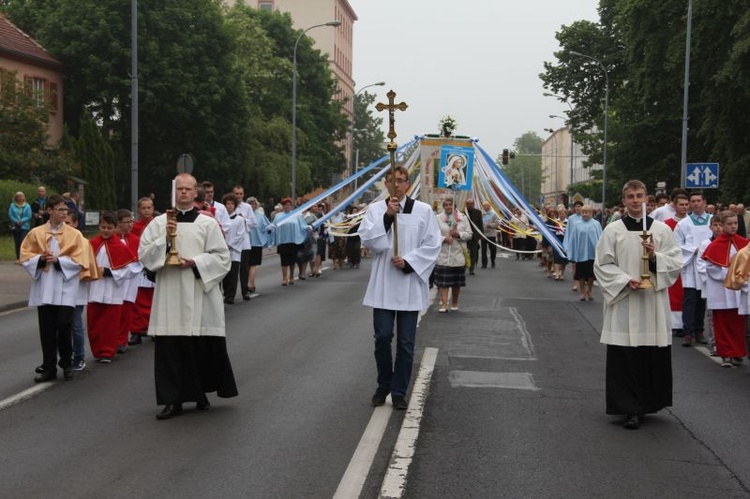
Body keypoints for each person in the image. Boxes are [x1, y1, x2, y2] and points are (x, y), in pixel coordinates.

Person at [138, 173, 238, 420]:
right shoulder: (160, 223)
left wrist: (195, 262)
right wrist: (165, 239)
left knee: (196, 349)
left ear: (196, 194)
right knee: (170, 349)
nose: (183, 193)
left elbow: (222, 258)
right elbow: (144, 255)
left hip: (197, 290)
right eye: (179, 189)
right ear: (174, 193)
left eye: (188, 189)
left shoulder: (208, 224)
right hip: (170, 291)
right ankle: (172, 400)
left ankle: (199, 393)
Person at [594, 180, 682, 430]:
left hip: (652, 301)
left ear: (647, 199)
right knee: (626, 356)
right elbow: (602, 264)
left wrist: (654, 257)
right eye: (630, 196)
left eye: (639, 196)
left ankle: (647, 403)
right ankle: (628, 408)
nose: (635, 200)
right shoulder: (613, 230)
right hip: (625, 299)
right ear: (624, 201)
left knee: (648, 355)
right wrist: (624, 280)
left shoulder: (663, 230)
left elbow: (675, 263)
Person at [358, 165, 441, 410]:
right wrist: (386, 217)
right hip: (384, 283)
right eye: (392, 180)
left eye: (402, 180)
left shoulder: (423, 211)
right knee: (382, 337)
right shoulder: (375, 210)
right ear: (386, 183)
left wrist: (409, 262)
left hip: (408, 284)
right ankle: (384, 383)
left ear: (408, 184)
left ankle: (398, 390)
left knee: (406, 342)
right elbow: (370, 242)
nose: (397, 185)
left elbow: (432, 245)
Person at [20, 194, 98, 382]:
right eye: (60, 209)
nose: (64, 213)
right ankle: (49, 367)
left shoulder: (75, 235)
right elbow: (25, 255)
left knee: (64, 326)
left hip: (65, 287)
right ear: (49, 211)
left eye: (66, 209)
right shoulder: (36, 233)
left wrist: (59, 261)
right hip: (45, 286)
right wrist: (40, 259)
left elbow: (81, 259)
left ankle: (66, 362)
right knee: (46, 329)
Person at [87, 211, 140, 363]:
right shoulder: (92, 244)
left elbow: (130, 268)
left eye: (109, 228)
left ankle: (107, 351)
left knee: (110, 323)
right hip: (95, 287)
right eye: (103, 227)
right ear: (99, 226)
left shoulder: (120, 246)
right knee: (95, 323)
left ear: (115, 228)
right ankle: (97, 350)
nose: (105, 230)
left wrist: (109, 271)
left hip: (112, 288)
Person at [702, 210, 749, 367]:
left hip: (739, 289)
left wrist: (740, 278)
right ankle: (725, 353)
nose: (733, 226)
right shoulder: (714, 245)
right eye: (729, 224)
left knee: (738, 323)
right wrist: (730, 276)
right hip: (721, 289)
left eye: (735, 223)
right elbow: (711, 268)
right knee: (722, 322)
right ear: (722, 225)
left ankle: (738, 352)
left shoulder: (744, 243)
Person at [674, 191, 712, 346]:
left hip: (708, 264)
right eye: (693, 201)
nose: (695, 203)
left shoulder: (712, 220)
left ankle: (699, 330)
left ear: (704, 202)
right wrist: (693, 249)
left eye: (698, 200)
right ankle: (688, 332)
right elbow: (676, 244)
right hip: (690, 264)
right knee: (689, 299)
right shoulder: (683, 223)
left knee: (702, 300)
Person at [435, 198, 471, 312]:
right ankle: (444, 304)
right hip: (443, 253)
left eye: (450, 204)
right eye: (445, 205)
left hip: (458, 253)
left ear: (454, 206)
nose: (448, 207)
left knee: (456, 282)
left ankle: (454, 302)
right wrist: (444, 239)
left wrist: (458, 234)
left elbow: (469, 234)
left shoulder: (463, 218)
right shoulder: (437, 218)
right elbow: (432, 234)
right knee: (443, 282)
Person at [128, 197, 156, 345]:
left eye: (149, 207)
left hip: (154, 266)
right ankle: (136, 331)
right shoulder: (134, 227)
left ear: (152, 208)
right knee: (138, 300)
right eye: (143, 208)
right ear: (139, 210)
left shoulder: (158, 224)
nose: (146, 210)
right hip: (139, 267)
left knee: (153, 299)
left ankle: (153, 328)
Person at [664, 193, 690, 337]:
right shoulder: (667, 224)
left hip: (690, 263)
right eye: (681, 204)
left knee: (688, 294)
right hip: (674, 262)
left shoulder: (691, 222)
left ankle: (689, 324)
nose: (685, 207)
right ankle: (676, 325)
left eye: (687, 204)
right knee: (675, 292)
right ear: (674, 206)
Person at [269, 198, 308, 286]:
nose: (287, 206)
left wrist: (307, 227)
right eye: (286, 205)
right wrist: (270, 229)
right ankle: (284, 278)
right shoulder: (278, 216)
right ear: (283, 206)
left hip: (293, 241)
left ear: (291, 206)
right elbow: (274, 225)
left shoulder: (296, 215)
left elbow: (302, 225)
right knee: (284, 261)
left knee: (292, 261)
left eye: (289, 205)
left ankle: (291, 277)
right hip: (283, 241)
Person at [567, 205, 602, 300]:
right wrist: (571, 252)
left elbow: (600, 237)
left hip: (592, 254)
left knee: (591, 274)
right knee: (581, 274)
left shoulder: (596, 224)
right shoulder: (577, 224)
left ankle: (590, 290)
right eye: (583, 212)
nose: (584, 214)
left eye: (586, 212)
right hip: (581, 253)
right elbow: (573, 239)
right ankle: (582, 292)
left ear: (591, 213)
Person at [232, 186, 257, 300]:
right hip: (232, 242)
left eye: (240, 194)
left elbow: (253, 222)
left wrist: (242, 219)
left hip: (244, 242)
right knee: (232, 269)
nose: (238, 196)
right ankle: (229, 294)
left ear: (243, 194)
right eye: (236, 194)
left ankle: (244, 291)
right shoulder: (228, 206)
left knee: (244, 268)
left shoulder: (247, 207)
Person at [221, 194, 245, 304]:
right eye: (228, 204)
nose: (230, 206)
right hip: (222, 249)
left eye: (232, 204)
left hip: (234, 251)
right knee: (224, 274)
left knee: (233, 274)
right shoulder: (221, 218)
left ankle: (231, 295)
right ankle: (225, 293)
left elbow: (241, 235)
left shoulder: (239, 219)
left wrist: (230, 245)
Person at [246, 197, 270, 293]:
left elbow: (267, 227)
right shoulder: (244, 215)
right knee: (247, 265)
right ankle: (249, 283)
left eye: (254, 204)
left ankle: (251, 283)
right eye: (250, 204)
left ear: (256, 205)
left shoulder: (260, 215)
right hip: (245, 243)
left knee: (253, 264)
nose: (252, 205)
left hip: (256, 243)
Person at [8, 191, 32, 261]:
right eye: (18, 196)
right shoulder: (12, 205)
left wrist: (21, 221)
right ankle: (18, 257)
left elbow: (29, 216)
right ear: (16, 197)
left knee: (23, 242)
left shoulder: (27, 206)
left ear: (23, 197)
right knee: (17, 242)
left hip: (25, 227)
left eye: (21, 196)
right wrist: (16, 221)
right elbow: (10, 215)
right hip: (16, 226)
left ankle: (24, 257)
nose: (20, 198)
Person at [463, 199, 483, 275]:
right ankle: (464, 267)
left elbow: (480, 223)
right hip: (465, 236)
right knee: (465, 252)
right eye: (468, 203)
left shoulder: (478, 212)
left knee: (473, 253)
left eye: (471, 203)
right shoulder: (463, 212)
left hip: (474, 236)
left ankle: (472, 269)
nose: (470, 205)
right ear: (466, 204)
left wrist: (481, 234)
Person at [480, 201, 500, 268]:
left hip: (491, 234)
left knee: (493, 249)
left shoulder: (493, 214)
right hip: (483, 234)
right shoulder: (481, 213)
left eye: (487, 205)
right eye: (484, 206)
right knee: (483, 250)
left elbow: (497, 224)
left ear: (489, 206)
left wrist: (490, 225)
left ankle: (493, 261)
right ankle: (484, 264)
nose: (486, 207)